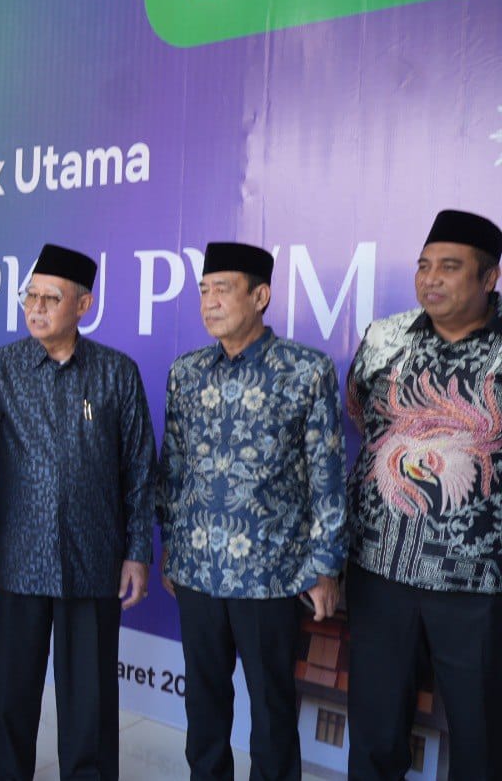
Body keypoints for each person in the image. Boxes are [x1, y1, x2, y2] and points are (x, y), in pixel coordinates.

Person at [0, 243, 156, 780]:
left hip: (93, 561)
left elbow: (140, 472)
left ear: (83, 305)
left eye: (50, 298)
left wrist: (138, 552)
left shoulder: (116, 373)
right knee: (11, 694)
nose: (36, 308)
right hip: (18, 559)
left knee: (90, 701)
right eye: (31, 297)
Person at [158, 241, 347, 780]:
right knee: (204, 705)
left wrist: (325, 566)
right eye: (203, 291)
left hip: (271, 573)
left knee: (272, 708)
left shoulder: (305, 370)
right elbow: (173, 466)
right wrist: (171, 544)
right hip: (197, 569)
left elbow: (327, 475)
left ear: (260, 296)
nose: (209, 302)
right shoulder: (187, 372)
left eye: (223, 290)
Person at [346, 209, 502, 779]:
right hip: (379, 568)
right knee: (374, 730)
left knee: (480, 735)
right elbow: (359, 412)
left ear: (489, 277)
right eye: (423, 265)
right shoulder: (384, 337)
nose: (431, 278)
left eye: (450, 267)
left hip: (477, 580)